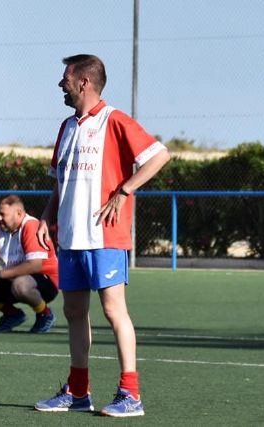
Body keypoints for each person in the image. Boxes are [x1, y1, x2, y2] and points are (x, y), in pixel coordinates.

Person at [34, 54, 171, 417]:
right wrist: (47, 218)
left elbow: (159, 156)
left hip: (105, 237)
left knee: (113, 310)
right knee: (75, 311)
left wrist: (124, 190)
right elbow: (58, 182)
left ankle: (131, 394)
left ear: (84, 83)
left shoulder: (115, 120)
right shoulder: (66, 127)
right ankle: (79, 392)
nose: (60, 84)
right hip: (71, 238)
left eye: (66, 78)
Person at [0, 195, 59, 333]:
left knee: (20, 284)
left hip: (45, 282)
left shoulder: (31, 226)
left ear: (19, 213)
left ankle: (44, 313)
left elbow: (35, 265)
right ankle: (12, 314)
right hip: (12, 280)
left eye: (2, 214)